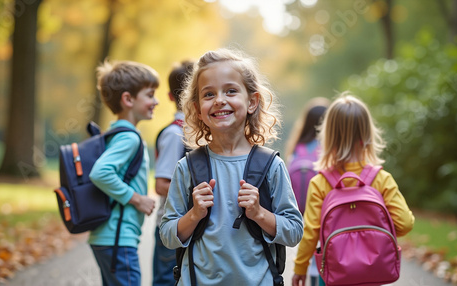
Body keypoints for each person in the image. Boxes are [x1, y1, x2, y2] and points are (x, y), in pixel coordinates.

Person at [159, 48, 303, 285]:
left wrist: (259, 213)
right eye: (208, 94)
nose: (219, 100)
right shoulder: (187, 167)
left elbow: (295, 230)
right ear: (197, 109)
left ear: (252, 102)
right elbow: (167, 235)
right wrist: (194, 214)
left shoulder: (271, 166)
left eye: (231, 91)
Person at [291, 92, 415, 286]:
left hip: (334, 271)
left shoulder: (320, 183)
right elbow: (405, 223)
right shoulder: (381, 179)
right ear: (367, 135)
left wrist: (300, 268)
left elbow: (310, 233)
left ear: (329, 137)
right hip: (373, 272)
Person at [89, 60, 158, 286]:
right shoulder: (129, 138)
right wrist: (138, 199)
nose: (155, 101)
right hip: (118, 238)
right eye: (149, 95)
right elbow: (100, 173)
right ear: (128, 99)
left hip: (111, 237)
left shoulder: (117, 133)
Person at [153, 60, 194, 286]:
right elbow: (161, 185)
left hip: (186, 227)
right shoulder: (174, 134)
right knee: (166, 281)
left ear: (170, 96)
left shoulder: (192, 132)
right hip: (172, 228)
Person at [284, 97, 330, 286]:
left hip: (301, 206)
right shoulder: (328, 148)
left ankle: (310, 271)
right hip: (325, 208)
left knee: (309, 239)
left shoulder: (297, 147)